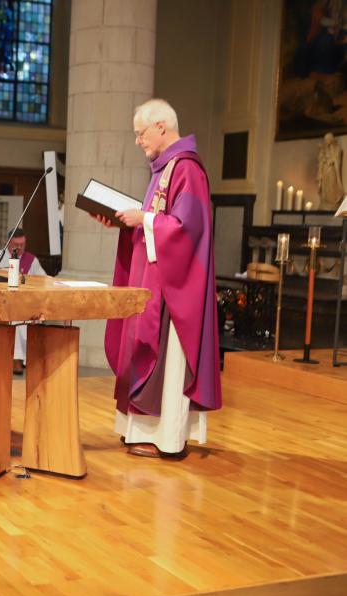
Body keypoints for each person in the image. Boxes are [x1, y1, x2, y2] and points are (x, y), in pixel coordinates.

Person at [94, 98, 222, 458]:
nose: (138, 141)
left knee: (167, 360)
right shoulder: (164, 170)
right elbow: (156, 224)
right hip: (156, 282)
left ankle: (166, 437)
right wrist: (125, 224)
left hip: (175, 289)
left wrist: (145, 220)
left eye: (141, 133)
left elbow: (188, 229)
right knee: (144, 356)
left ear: (162, 127)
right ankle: (140, 431)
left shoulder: (187, 169)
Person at [0, 228, 47, 374]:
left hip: (25, 304)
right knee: (14, 319)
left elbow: (43, 280)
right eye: (15, 245)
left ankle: (23, 359)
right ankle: (16, 360)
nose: (19, 249)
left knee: (21, 318)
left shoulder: (32, 260)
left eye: (22, 245)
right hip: (1, 303)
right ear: (8, 243)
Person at [317, 132, 344, 210]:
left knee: (332, 184)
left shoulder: (337, 148)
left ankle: (332, 201)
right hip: (325, 170)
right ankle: (325, 200)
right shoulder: (324, 148)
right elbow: (320, 159)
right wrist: (323, 159)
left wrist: (331, 160)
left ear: (331, 139)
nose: (326, 141)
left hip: (332, 170)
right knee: (325, 185)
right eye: (325, 140)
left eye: (328, 139)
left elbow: (336, 159)